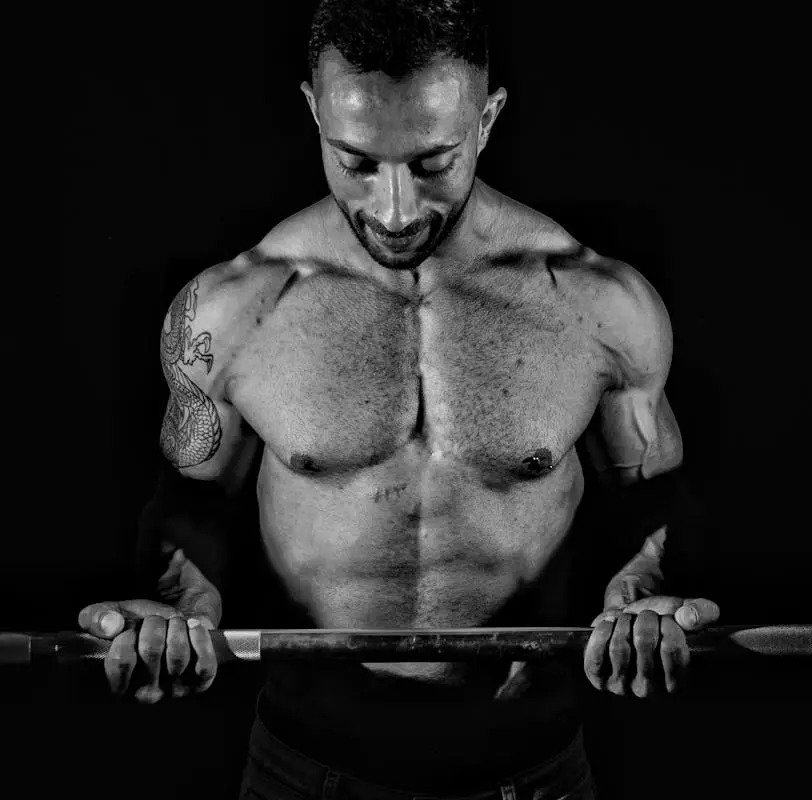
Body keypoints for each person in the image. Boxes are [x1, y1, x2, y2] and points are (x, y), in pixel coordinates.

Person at [77, 1, 719, 798]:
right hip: (303, 773)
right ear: (313, 110)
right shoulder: (230, 310)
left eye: (431, 163)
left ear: (486, 120)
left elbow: (649, 503)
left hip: (534, 772)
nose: (394, 211)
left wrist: (642, 597)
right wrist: (177, 604)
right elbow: (189, 509)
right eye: (355, 163)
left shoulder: (597, 304)